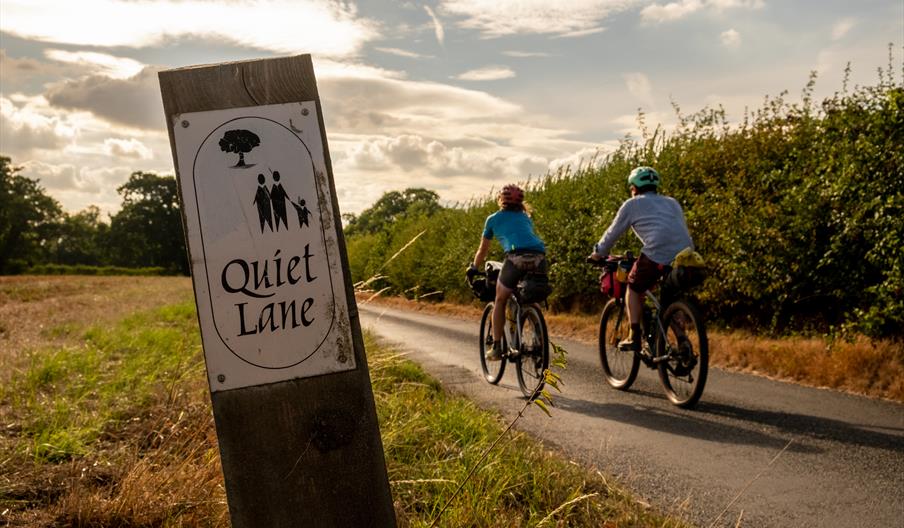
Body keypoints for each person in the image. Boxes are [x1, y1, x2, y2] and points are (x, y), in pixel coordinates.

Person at [589, 166, 693, 353]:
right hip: (685, 254)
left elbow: (612, 233)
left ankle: (634, 336)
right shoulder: (672, 202)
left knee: (634, 287)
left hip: (656, 251)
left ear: (634, 187)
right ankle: (683, 341)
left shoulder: (632, 204)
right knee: (669, 301)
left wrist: (598, 253)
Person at [469, 184, 547, 361]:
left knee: (500, 299)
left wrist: (474, 267)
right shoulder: (525, 217)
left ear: (500, 200)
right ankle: (539, 341)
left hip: (514, 258)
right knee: (530, 298)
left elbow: (483, 250)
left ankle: (496, 347)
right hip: (539, 257)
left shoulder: (493, 219)